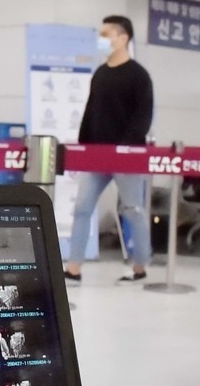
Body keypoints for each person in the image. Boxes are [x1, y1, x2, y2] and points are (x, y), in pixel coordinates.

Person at [64, 16, 156, 285]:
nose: (101, 39)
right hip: (96, 156)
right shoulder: (101, 73)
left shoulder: (139, 75)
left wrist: (124, 148)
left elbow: (142, 117)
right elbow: (90, 112)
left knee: (132, 209)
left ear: (123, 37)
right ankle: (74, 266)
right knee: (82, 207)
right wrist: (83, 148)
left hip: (127, 156)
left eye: (107, 34)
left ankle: (141, 265)